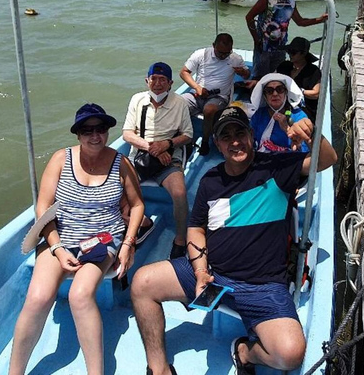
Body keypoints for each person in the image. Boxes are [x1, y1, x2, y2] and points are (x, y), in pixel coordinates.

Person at [131, 105, 337, 375]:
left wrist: (312, 135)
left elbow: (326, 160)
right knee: (142, 283)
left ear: (251, 136)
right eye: (226, 136)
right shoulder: (210, 180)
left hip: (263, 287)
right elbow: (196, 228)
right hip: (213, 275)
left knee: (289, 354)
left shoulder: (277, 167)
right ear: (217, 144)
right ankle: (159, 368)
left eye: (240, 132)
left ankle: (244, 351)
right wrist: (201, 272)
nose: (235, 141)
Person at [9, 103, 146, 375]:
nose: (95, 136)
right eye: (87, 130)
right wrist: (58, 248)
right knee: (37, 298)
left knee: (80, 295)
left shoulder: (121, 163)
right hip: (61, 237)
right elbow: (43, 207)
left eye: (101, 129)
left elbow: (138, 204)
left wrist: (128, 244)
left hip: (103, 238)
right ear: (77, 133)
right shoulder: (61, 159)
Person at [123, 62, 193, 259]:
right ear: (147, 81)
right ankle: (141, 223)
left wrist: (167, 144)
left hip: (169, 157)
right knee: (115, 188)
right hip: (141, 157)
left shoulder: (179, 103)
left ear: (170, 83)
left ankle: (180, 239)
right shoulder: (137, 100)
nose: (158, 83)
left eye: (163, 80)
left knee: (179, 193)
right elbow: (128, 134)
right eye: (154, 78)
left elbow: (187, 134)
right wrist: (152, 148)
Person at [179, 32, 250, 156]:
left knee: (209, 110)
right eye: (220, 52)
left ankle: (205, 141)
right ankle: (183, 138)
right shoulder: (201, 54)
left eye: (226, 53)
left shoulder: (235, 59)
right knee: (178, 104)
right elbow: (184, 72)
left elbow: (247, 74)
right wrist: (197, 87)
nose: (223, 56)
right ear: (213, 46)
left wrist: (243, 72)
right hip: (197, 93)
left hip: (219, 96)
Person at [245, 0, 328, 82]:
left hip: (281, 47)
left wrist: (319, 19)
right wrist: (256, 39)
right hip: (263, 47)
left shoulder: (291, 3)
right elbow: (249, 17)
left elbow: (300, 21)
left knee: (278, 76)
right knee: (259, 78)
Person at [250, 73, 310, 153]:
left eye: (280, 89)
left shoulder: (299, 117)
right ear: (265, 96)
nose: (275, 94)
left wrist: (287, 129)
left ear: (286, 93)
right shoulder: (259, 115)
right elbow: (250, 140)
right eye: (269, 91)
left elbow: (305, 150)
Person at [277, 36, 322, 122]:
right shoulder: (284, 66)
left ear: (303, 54)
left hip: (303, 109)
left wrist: (297, 91)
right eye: (289, 51)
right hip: (283, 105)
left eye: (293, 52)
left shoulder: (313, 71)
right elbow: (272, 79)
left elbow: (316, 94)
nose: (290, 55)